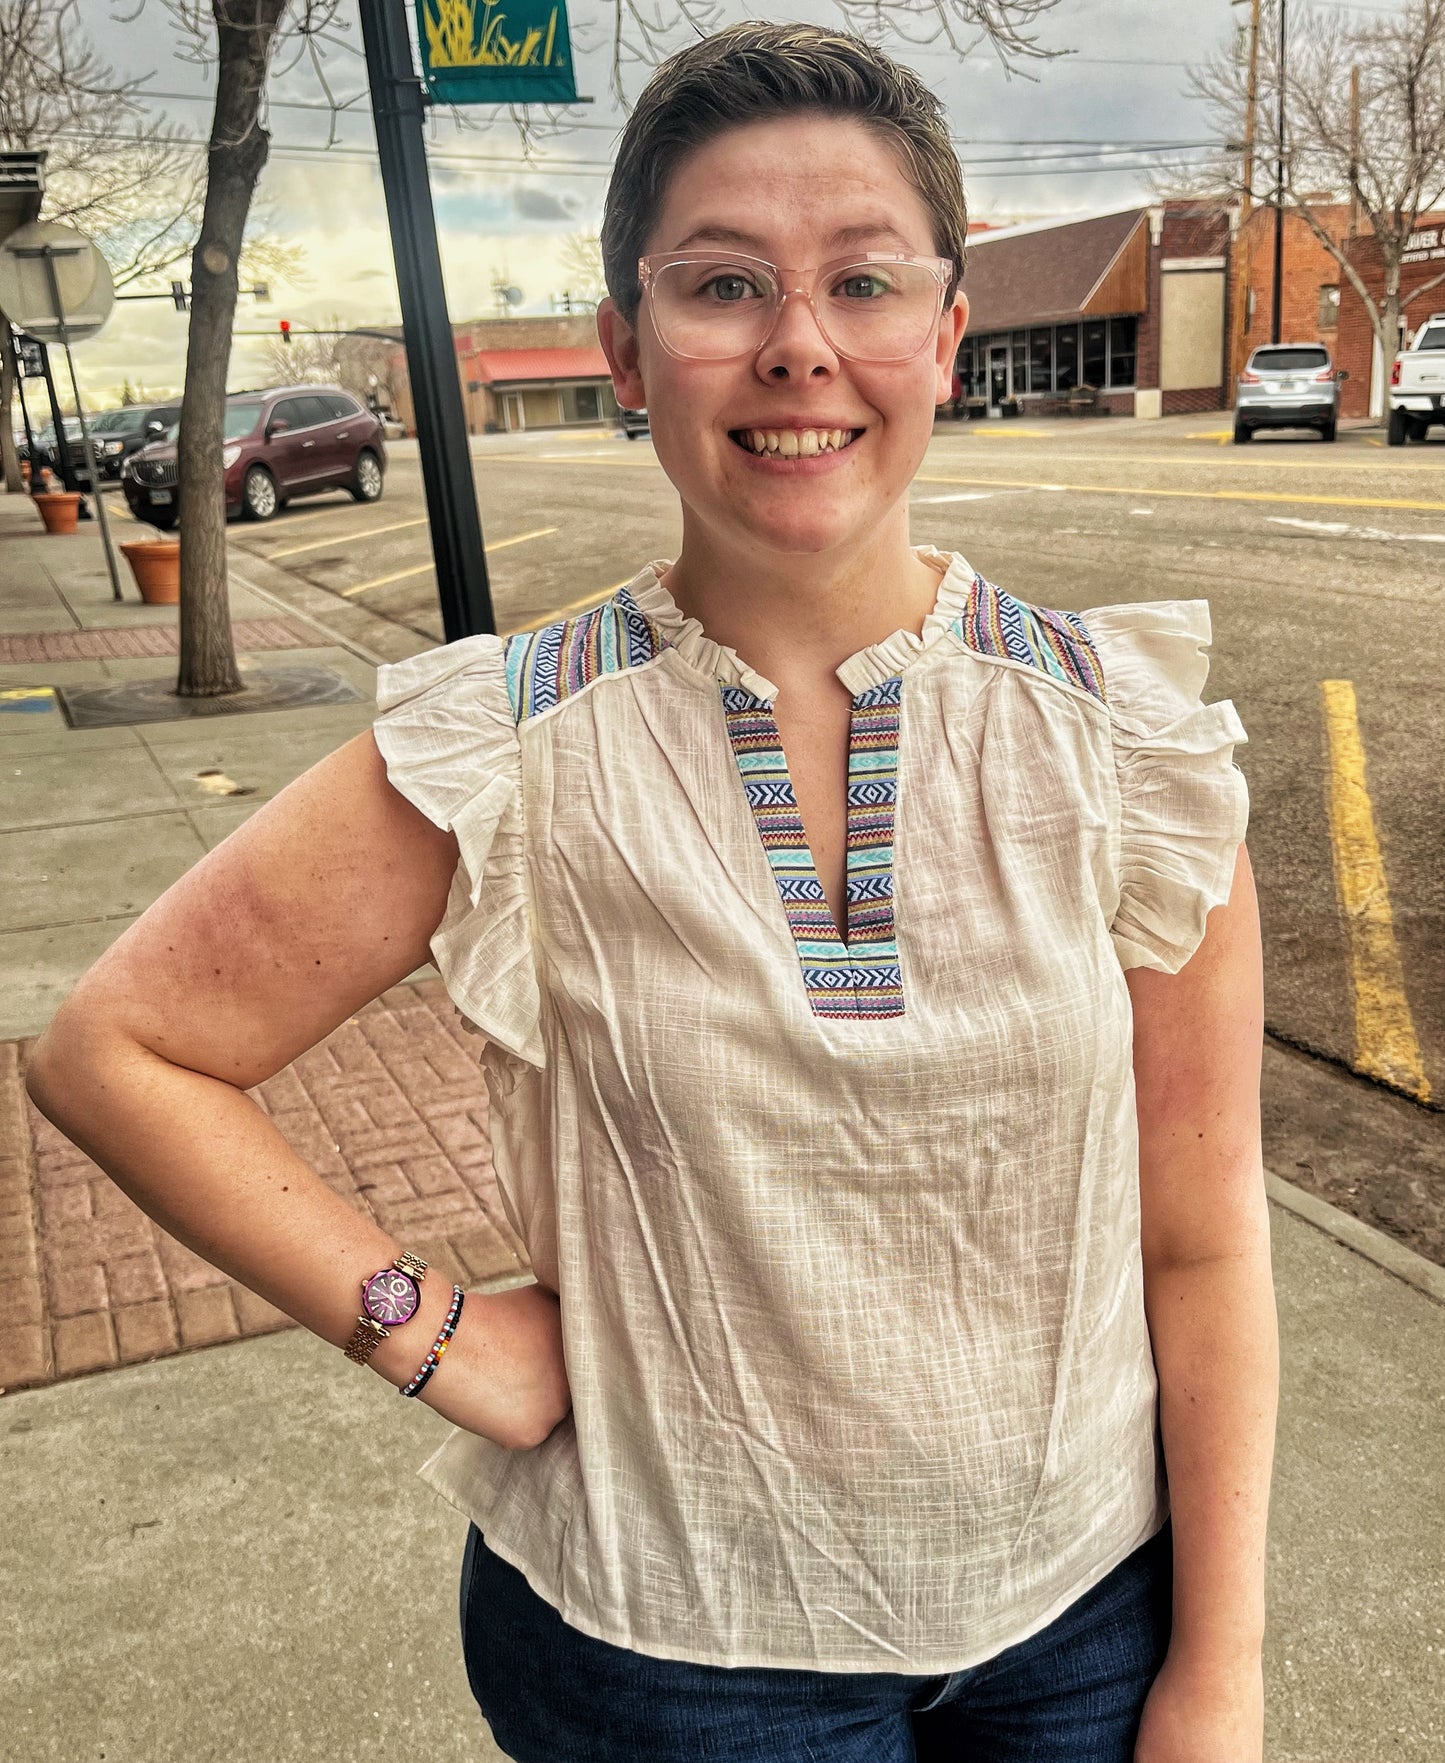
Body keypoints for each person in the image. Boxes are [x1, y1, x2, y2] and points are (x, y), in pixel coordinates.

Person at [24, 22, 1277, 1763]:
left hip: (1077, 1621)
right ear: (626, 345)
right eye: (720, 286)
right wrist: (437, 1336)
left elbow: (1202, 1244)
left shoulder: (1127, 745)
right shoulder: (511, 743)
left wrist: (1220, 1670)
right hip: (672, 1653)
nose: (797, 348)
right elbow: (120, 1051)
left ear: (944, 334)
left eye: (862, 280)